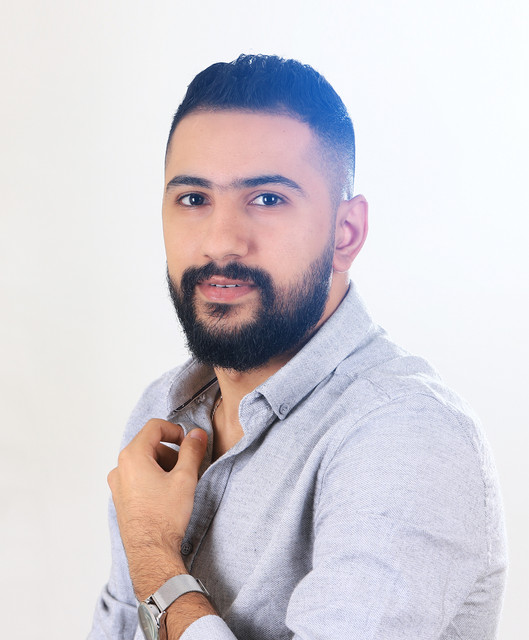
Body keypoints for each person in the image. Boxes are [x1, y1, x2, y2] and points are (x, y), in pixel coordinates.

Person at [89, 54, 507, 640]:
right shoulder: (162, 409)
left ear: (346, 232)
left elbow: (147, 568)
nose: (220, 242)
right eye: (193, 198)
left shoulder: (407, 435)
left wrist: (153, 557)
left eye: (267, 199)